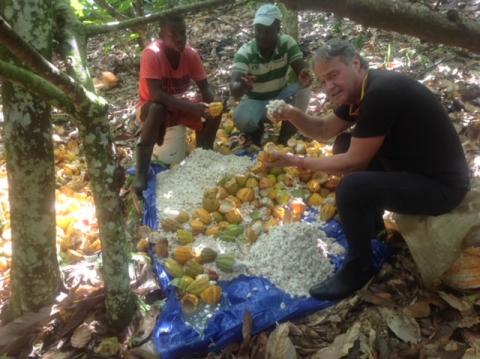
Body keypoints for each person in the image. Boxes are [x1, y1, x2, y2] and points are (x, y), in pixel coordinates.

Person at [266, 39, 470, 300]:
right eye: (323, 81)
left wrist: (297, 161)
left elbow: (354, 163)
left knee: (351, 187)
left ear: (356, 64)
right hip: (412, 168)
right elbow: (325, 131)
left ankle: (358, 268)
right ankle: (374, 229)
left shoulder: (381, 93)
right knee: (343, 142)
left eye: (333, 75)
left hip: (442, 187)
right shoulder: (360, 92)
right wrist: (292, 113)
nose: (329, 87)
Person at [134, 15, 220, 196]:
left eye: (183, 33)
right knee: (158, 108)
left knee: (214, 107)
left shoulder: (190, 54)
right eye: (173, 34)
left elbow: (205, 87)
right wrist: (192, 108)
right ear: (161, 35)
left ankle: (204, 154)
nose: (180, 38)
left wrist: (212, 106)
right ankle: (141, 172)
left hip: (179, 105)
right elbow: (156, 95)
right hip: (151, 108)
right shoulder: (152, 54)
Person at [229, 3, 313, 146]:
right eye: (258, 30)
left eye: (267, 31)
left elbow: (300, 66)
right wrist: (243, 85)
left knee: (304, 87)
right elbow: (234, 89)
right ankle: (256, 133)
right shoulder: (245, 52)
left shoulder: (286, 43)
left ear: (278, 29)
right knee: (241, 118)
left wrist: (305, 72)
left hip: (281, 97)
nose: (262, 35)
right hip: (256, 102)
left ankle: (285, 138)